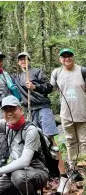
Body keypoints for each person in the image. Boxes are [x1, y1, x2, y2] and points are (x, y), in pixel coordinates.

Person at [13, 52, 70, 193]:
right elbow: (2, 81)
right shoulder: (17, 77)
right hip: (30, 112)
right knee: (35, 143)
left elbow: (49, 87)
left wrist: (34, 87)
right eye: (20, 59)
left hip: (43, 108)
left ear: (29, 60)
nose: (23, 61)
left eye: (25, 58)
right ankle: (44, 175)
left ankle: (63, 176)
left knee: (51, 141)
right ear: (18, 63)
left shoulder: (37, 72)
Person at [0, 93, 48, 195]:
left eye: (13, 109)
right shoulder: (5, 124)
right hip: (16, 170)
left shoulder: (31, 130)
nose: (9, 113)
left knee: (18, 177)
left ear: (21, 110)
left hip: (37, 171)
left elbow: (24, 161)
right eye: (6, 110)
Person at [51, 48, 86, 182]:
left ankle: (83, 168)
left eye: (69, 55)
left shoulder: (82, 71)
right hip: (65, 114)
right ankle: (73, 170)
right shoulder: (56, 72)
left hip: (82, 112)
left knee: (84, 142)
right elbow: (50, 88)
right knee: (70, 141)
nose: (67, 58)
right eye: (63, 56)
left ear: (73, 56)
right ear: (60, 59)